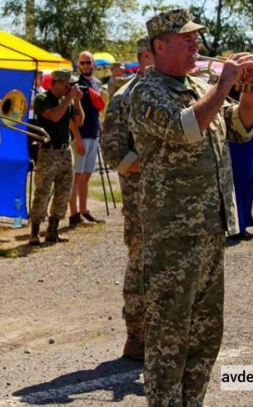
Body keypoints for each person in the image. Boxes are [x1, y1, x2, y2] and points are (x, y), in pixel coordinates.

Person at [128, 8, 253, 406]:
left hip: (210, 228)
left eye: (195, 38)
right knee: (170, 337)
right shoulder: (147, 92)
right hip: (173, 235)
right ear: (159, 46)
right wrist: (223, 86)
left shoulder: (195, 86)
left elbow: (239, 128)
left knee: (205, 335)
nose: (195, 45)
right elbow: (186, 129)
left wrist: (249, 93)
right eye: (185, 39)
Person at [100, 35, 153, 361]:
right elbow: (115, 155)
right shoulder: (125, 98)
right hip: (142, 203)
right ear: (147, 55)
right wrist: (157, 164)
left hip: (174, 204)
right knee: (140, 265)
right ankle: (136, 335)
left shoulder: (174, 94)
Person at [28, 68, 84, 245]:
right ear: (57, 83)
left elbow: (79, 121)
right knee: (42, 191)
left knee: (63, 191)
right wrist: (68, 99)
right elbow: (54, 116)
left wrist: (77, 102)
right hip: (48, 151)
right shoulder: (43, 99)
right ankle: (35, 231)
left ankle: (53, 230)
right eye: (68, 85)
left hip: (65, 151)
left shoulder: (66, 101)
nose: (70, 87)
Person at [68, 51, 105, 227]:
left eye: (88, 62)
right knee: (76, 176)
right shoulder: (76, 85)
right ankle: (73, 214)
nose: (85, 66)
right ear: (78, 65)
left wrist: (101, 130)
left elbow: (96, 111)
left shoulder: (95, 84)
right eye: (82, 63)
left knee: (87, 174)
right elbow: (70, 117)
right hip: (81, 136)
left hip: (93, 133)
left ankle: (84, 210)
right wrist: (78, 138)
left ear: (93, 64)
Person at [226, 85, 253, 242]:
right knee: (239, 183)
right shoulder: (230, 85)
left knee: (249, 181)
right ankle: (236, 226)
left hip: (252, 139)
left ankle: (243, 223)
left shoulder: (248, 85)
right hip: (237, 142)